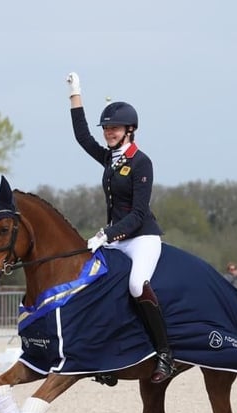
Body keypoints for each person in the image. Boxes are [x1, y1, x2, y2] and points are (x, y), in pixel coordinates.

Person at [66, 71, 176, 384]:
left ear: (130, 130)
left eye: (114, 128)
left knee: (136, 285)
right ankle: (110, 356)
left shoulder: (142, 162)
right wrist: (76, 95)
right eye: (107, 128)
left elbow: (139, 213)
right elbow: (82, 137)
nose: (108, 133)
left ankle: (165, 353)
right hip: (116, 239)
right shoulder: (110, 160)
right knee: (96, 285)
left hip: (142, 238)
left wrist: (106, 234)